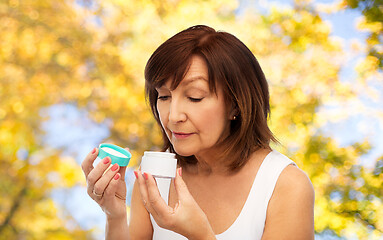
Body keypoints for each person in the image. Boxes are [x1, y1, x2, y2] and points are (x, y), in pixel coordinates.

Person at [81, 25, 315, 240]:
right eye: (163, 96)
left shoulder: (285, 185)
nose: (173, 116)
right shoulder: (156, 176)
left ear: (236, 104)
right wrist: (115, 214)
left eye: (194, 97)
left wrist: (202, 236)